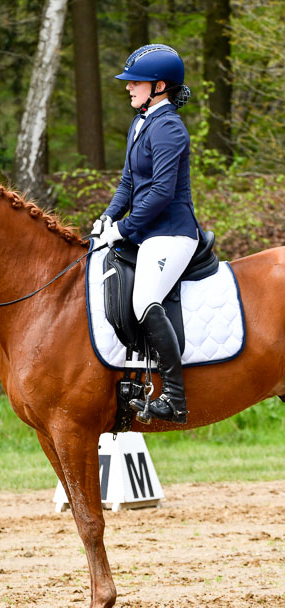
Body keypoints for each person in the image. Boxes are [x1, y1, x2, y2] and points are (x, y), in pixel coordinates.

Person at [91, 44, 203, 425]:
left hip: (172, 233)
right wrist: (106, 218)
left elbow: (160, 192)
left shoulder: (169, 126)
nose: (127, 87)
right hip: (147, 232)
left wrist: (124, 228)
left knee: (144, 300)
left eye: (134, 82)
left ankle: (174, 398)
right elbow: (128, 183)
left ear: (159, 86)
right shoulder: (141, 122)